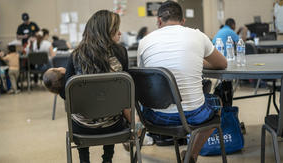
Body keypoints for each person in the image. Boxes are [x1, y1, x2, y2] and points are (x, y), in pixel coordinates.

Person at [137, 1, 227, 162]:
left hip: (154, 117)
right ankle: (191, 155)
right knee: (217, 103)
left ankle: (137, 135)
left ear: (158, 21)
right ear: (183, 21)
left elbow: (145, 76)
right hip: (193, 116)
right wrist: (197, 59)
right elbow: (222, 64)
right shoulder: (198, 35)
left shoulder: (144, 42)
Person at [62, 10, 130, 163]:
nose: (120, 33)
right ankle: (107, 159)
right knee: (110, 106)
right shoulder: (120, 53)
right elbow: (127, 93)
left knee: (81, 110)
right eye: (115, 29)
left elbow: (65, 94)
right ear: (106, 32)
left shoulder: (75, 55)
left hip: (81, 128)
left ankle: (83, 159)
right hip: (114, 126)